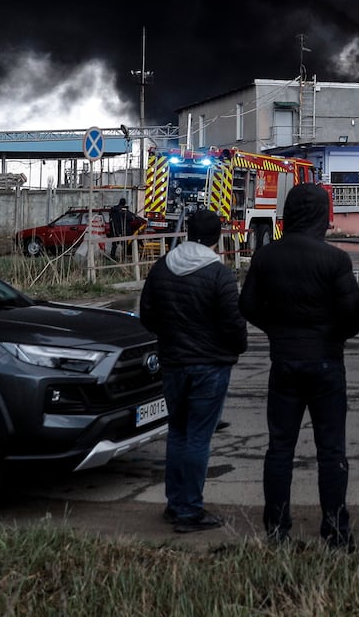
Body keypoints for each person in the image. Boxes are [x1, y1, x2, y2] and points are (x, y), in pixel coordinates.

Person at [239, 183, 359, 550]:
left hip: (284, 362)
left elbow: (246, 305)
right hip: (326, 362)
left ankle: (277, 531)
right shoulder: (335, 259)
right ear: (320, 215)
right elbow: (353, 312)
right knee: (331, 450)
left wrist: (277, 330)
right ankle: (336, 531)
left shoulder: (266, 257)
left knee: (279, 448)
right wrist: (333, 335)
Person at [139, 208, 247, 533]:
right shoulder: (219, 274)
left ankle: (175, 504)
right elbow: (235, 327)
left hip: (173, 364)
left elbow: (147, 316)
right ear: (218, 237)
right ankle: (189, 511)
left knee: (178, 433)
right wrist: (231, 350)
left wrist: (171, 339)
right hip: (210, 367)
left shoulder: (162, 268)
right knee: (199, 437)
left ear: (187, 232)